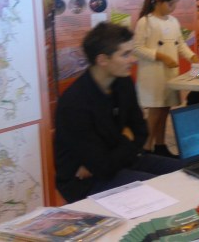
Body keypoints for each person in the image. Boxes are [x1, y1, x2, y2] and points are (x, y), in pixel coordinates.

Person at [54, 22, 182, 203]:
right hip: (83, 182)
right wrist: (126, 140)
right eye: (125, 55)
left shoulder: (123, 82)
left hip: (114, 162)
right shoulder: (74, 103)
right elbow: (104, 167)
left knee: (186, 171)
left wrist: (117, 149)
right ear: (102, 60)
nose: (133, 60)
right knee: (158, 190)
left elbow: (141, 132)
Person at [134, 0, 199, 157]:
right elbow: (137, 48)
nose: (173, 8)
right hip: (153, 75)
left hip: (169, 74)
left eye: (175, 4)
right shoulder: (145, 22)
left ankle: (160, 145)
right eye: (170, 4)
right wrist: (161, 56)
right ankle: (146, 148)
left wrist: (192, 57)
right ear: (158, 1)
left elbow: (181, 44)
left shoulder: (173, 21)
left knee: (164, 110)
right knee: (155, 111)